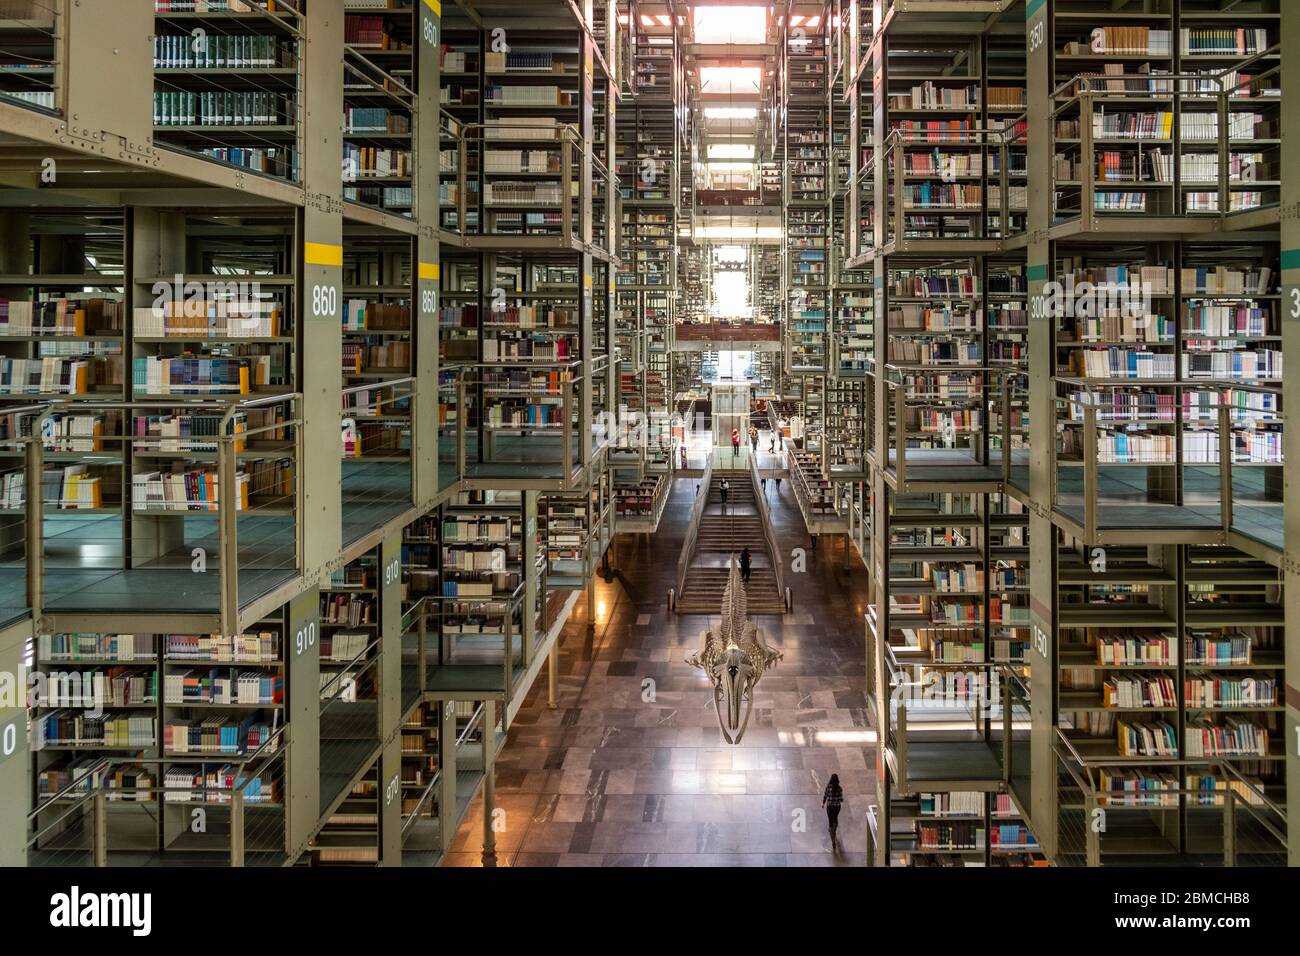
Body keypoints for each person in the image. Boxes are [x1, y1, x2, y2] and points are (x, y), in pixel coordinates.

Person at [822, 773, 844, 842]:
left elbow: (825, 795)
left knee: (830, 819)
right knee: (835, 817)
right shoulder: (839, 788)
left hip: (830, 806)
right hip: (837, 807)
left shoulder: (828, 787)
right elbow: (841, 799)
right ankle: (835, 828)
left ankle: (831, 832)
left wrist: (823, 803)